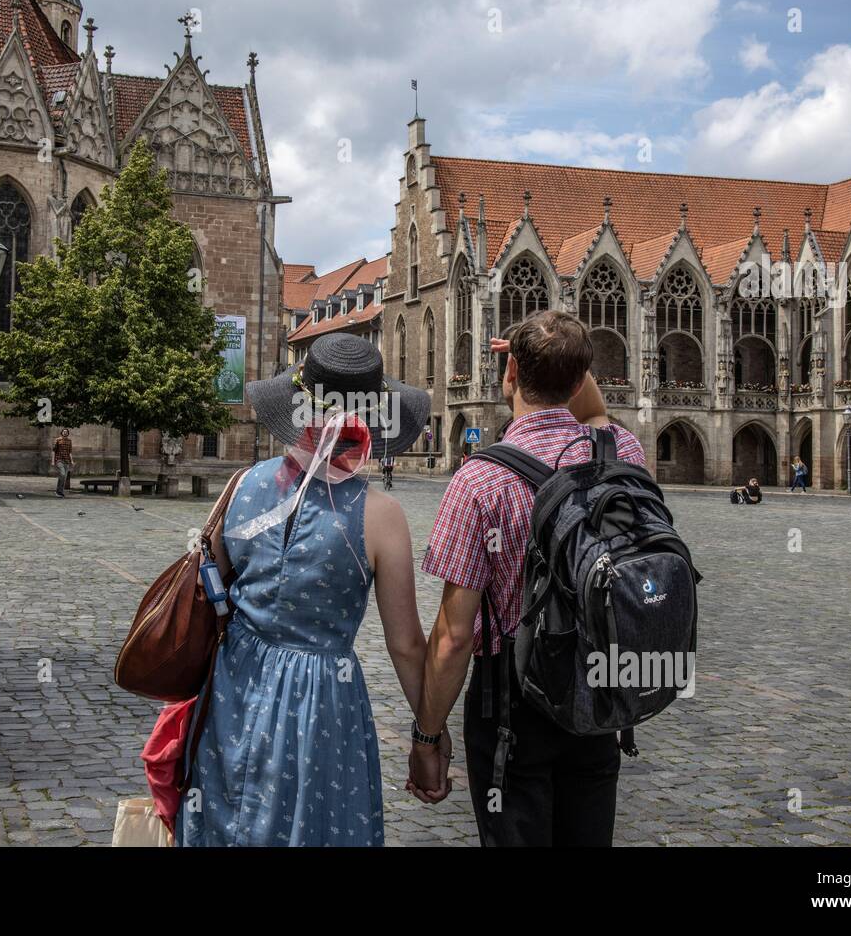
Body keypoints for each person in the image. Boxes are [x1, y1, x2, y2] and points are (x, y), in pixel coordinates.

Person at [178, 333, 436, 846]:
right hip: (321, 696)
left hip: (235, 684)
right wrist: (430, 734)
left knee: (230, 812)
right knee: (316, 821)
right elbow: (405, 644)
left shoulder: (243, 484)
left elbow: (212, 590)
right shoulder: (381, 517)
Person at [410, 310, 646, 846]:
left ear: (509, 371)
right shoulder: (621, 453)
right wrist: (563, 360)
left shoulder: (481, 478)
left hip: (512, 700)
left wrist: (428, 735)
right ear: (583, 375)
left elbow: (453, 636)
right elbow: (596, 411)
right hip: (598, 692)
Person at [52, 428, 74, 497]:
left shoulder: (69, 441)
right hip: (59, 460)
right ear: (62, 433)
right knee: (63, 474)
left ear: (68, 433)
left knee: (63, 477)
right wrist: (53, 461)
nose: (65, 433)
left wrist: (72, 461)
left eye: (66, 432)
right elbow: (54, 451)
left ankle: (59, 492)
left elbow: (70, 452)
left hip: (66, 460)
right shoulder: (58, 440)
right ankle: (59, 491)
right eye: (64, 432)